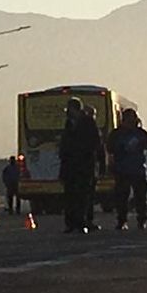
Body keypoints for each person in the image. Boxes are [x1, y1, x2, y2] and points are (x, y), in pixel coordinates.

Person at [107, 108, 147, 231]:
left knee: (140, 197)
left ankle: (141, 219)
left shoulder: (139, 133)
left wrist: (139, 144)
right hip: (122, 170)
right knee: (122, 197)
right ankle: (122, 220)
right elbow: (109, 147)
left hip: (136, 169)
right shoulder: (117, 134)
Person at [59, 97, 101, 234]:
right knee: (70, 196)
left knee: (84, 196)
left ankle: (83, 221)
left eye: (70, 109)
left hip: (84, 165)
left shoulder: (88, 123)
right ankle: (71, 223)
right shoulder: (69, 124)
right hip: (70, 166)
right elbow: (65, 145)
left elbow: (95, 143)